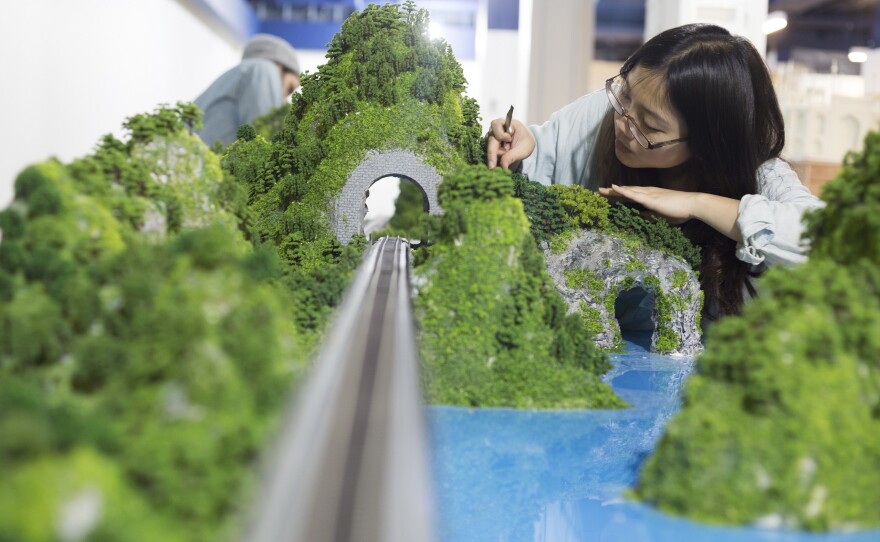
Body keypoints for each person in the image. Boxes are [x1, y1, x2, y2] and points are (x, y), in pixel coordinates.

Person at [486, 23, 824, 323]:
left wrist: (698, 204)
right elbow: (542, 156)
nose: (623, 123)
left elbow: (827, 243)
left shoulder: (762, 175)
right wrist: (521, 145)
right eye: (625, 94)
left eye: (649, 126)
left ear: (707, 144)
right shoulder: (606, 113)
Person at [194, 33, 302, 147]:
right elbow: (263, 139)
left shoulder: (238, 74)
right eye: (289, 88)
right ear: (280, 66)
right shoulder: (264, 69)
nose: (284, 99)